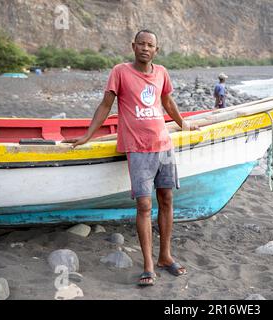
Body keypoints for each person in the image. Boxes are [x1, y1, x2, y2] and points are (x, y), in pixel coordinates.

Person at [64, 29, 198, 287]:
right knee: (145, 206)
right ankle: (148, 265)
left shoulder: (161, 73)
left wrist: (183, 124)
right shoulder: (120, 72)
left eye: (150, 45)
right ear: (133, 46)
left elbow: (167, 102)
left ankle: (165, 256)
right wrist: (88, 135)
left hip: (163, 145)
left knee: (167, 198)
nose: (145, 48)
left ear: (156, 51)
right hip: (138, 148)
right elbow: (105, 105)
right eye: (141, 44)